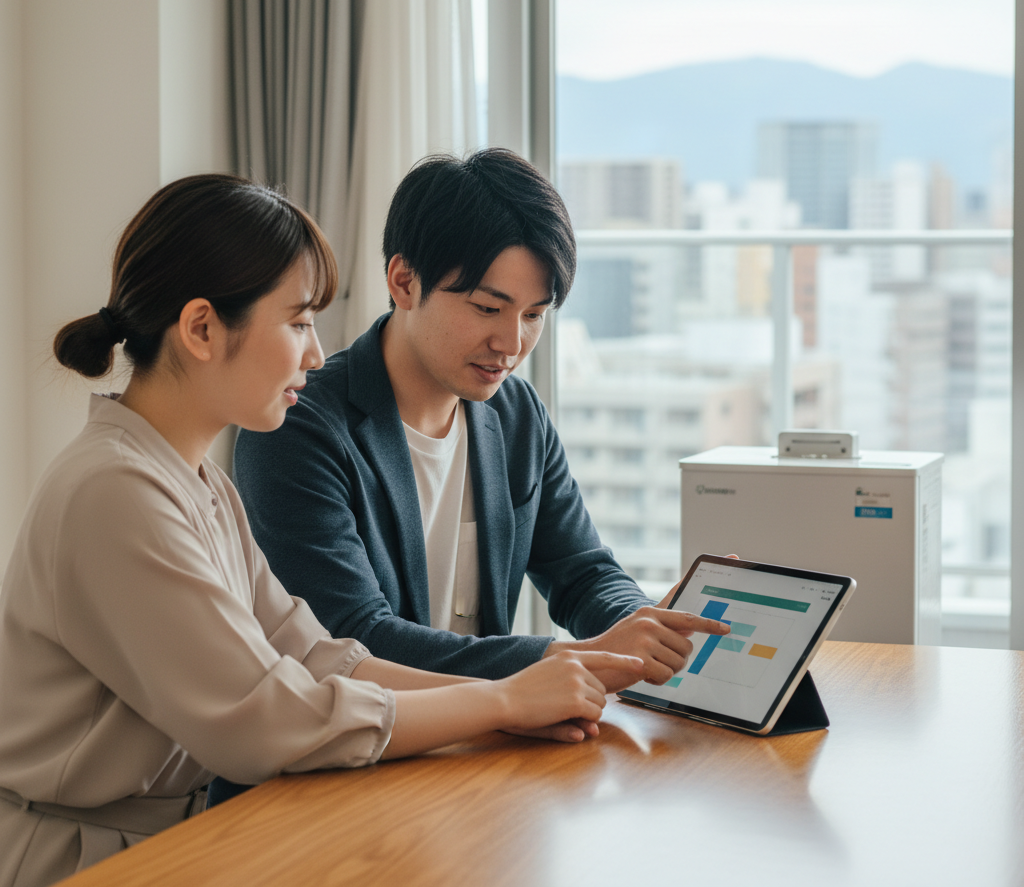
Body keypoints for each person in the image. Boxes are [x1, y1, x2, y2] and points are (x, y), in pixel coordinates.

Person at [0, 174, 649, 887]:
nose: (314, 354)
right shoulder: (115, 493)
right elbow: (263, 720)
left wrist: (510, 707)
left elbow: (318, 654)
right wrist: (500, 698)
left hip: (183, 836)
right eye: (298, 323)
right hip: (83, 861)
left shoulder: (196, 483)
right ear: (202, 329)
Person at [234, 149, 728, 686]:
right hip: (351, 752)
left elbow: (581, 572)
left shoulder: (516, 416)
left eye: (534, 315)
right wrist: (560, 664)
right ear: (403, 281)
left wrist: (645, 624)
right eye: (488, 309)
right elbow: (354, 639)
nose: (511, 344)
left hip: (479, 743)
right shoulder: (297, 428)